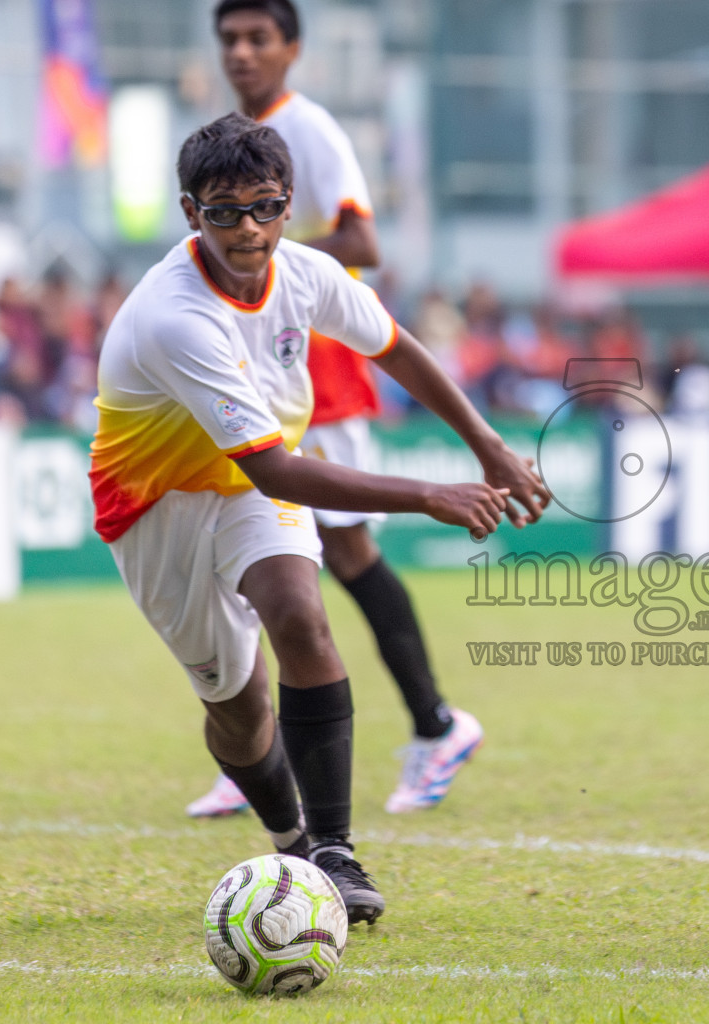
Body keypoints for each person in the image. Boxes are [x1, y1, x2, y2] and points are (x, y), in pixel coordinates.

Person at [90, 114, 547, 923]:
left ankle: (330, 851)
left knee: (302, 616)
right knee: (237, 707)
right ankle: (290, 838)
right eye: (223, 211)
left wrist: (490, 448)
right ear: (191, 213)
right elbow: (269, 462)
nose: (249, 229)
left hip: (253, 496)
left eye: (265, 207)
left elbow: (397, 347)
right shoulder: (174, 313)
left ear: (288, 204)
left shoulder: (304, 272)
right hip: (159, 507)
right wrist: (428, 494)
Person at [188, 0, 486, 819]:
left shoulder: (306, 129)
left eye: (258, 38)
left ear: (292, 47)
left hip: (313, 368)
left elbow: (363, 246)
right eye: (230, 41)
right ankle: (274, 744)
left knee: (327, 553)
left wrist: (254, 249)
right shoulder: (242, 136)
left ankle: (432, 725)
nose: (242, 53)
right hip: (266, 373)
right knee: (275, 558)